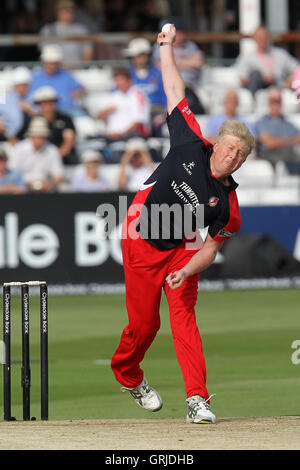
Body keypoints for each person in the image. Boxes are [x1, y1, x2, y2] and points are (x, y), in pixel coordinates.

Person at [111, 25, 255, 424]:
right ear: (217, 142)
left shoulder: (228, 206)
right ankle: (127, 374)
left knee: (184, 319)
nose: (232, 157)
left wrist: (187, 270)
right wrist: (166, 46)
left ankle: (197, 399)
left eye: (240, 155)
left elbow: (210, 248)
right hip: (142, 235)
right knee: (144, 326)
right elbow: (174, 89)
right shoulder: (191, 140)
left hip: (184, 249)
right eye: (230, 148)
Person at [153, 17, 206, 114]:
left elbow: (198, 62)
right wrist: (185, 62)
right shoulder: (161, 45)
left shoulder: (189, 46)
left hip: (187, 87)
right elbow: (158, 65)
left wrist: (172, 63)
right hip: (166, 87)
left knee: (191, 108)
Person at [18, 87, 77, 165]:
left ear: (55, 103)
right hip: (39, 161)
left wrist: (55, 158)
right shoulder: (34, 120)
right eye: (44, 102)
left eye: (51, 102)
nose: (48, 105)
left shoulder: (65, 119)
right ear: (39, 105)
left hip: (63, 160)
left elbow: (69, 141)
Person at [235, 26, 298, 96]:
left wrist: (290, 79)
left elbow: (296, 68)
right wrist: (262, 78)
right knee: (255, 75)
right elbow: (242, 80)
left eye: (264, 37)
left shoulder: (280, 54)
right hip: (260, 93)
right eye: (259, 37)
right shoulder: (246, 57)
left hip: (282, 91)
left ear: (268, 38)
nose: (262, 39)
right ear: (254, 39)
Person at [9, 117, 64, 193]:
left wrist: (49, 184)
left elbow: (59, 176)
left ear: (46, 137)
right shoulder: (19, 149)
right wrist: (26, 184)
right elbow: (12, 173)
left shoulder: (52, 150)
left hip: (47, 189)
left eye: (41, 137)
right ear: (31, 136)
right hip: (23, 188)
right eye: (36, 136)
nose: (39, 140)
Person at [29, 44, 86, 117]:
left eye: (55, 63)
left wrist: (78, 93)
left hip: (66, 110)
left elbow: (82, 90)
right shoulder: (35, 77)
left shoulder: (67, 75)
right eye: (50, 62)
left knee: (83, 120)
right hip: (42, 113)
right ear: (44, 62)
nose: (52, 66)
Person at [97, 67, 151, 141]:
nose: (119, 83)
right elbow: (99, 117)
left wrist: (121, 134)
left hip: (133, 137)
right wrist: (106, 112)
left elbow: (139, 121)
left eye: (121, 80)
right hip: (112, 137)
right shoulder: (114, 96)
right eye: (117, 80)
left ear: (129, 81)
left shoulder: (137, 94)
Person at [40, 0, 94, 67]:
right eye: (64, 10)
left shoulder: (82, 30)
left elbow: (88, 53)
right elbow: (46, 55)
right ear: (58, 12)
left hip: (78, 71)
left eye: (70, 11)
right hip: (55, 71)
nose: (67, 13)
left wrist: (77, 67)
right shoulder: (48, 30)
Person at [255, 87, 300, 165]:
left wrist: (278, 141)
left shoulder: (287, 123)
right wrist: (291, 140)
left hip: (290, 158)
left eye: (278, 101)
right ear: (268, 102)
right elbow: (269, 143)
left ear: (281, 103)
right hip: (270, 159)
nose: (276, 104)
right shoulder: (262, 122)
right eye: (273, 101)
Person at [125, 38, 167, 113]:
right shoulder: (126, 75)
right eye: (137, 55)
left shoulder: (158, 74)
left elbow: (165, 96)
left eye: (143, 54)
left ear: (148, 55)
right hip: (132, 112)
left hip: (156, 111)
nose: (140, 58)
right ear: (132, 57)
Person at [0, 67, 35, 142]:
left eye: (25, 85)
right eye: (20, 85)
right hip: (7, 138)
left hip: (30, 139)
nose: (23, 88)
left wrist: (30, 111)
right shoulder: (6, 99)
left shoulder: (34, 98)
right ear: (15, 85)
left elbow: (41, 117)